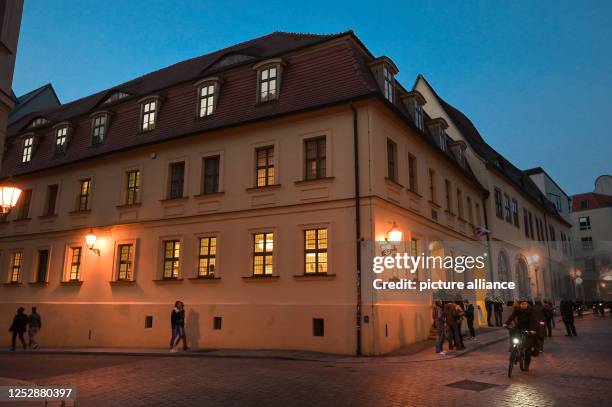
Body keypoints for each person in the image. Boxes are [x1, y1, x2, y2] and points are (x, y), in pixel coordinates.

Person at [503, 300, 539, 371]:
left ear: (527, 304)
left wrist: (532, 330)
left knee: (528, 348)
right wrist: (506, 323)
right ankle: (512, 346)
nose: (523, 305)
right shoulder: (517, 309)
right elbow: (512, 316)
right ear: (520, 305)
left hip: (529, 329)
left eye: (525, 304)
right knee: (512, 332)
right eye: (522, 304)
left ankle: (526, 364)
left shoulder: (531, 311)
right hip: (520, 327)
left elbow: (533, 320)